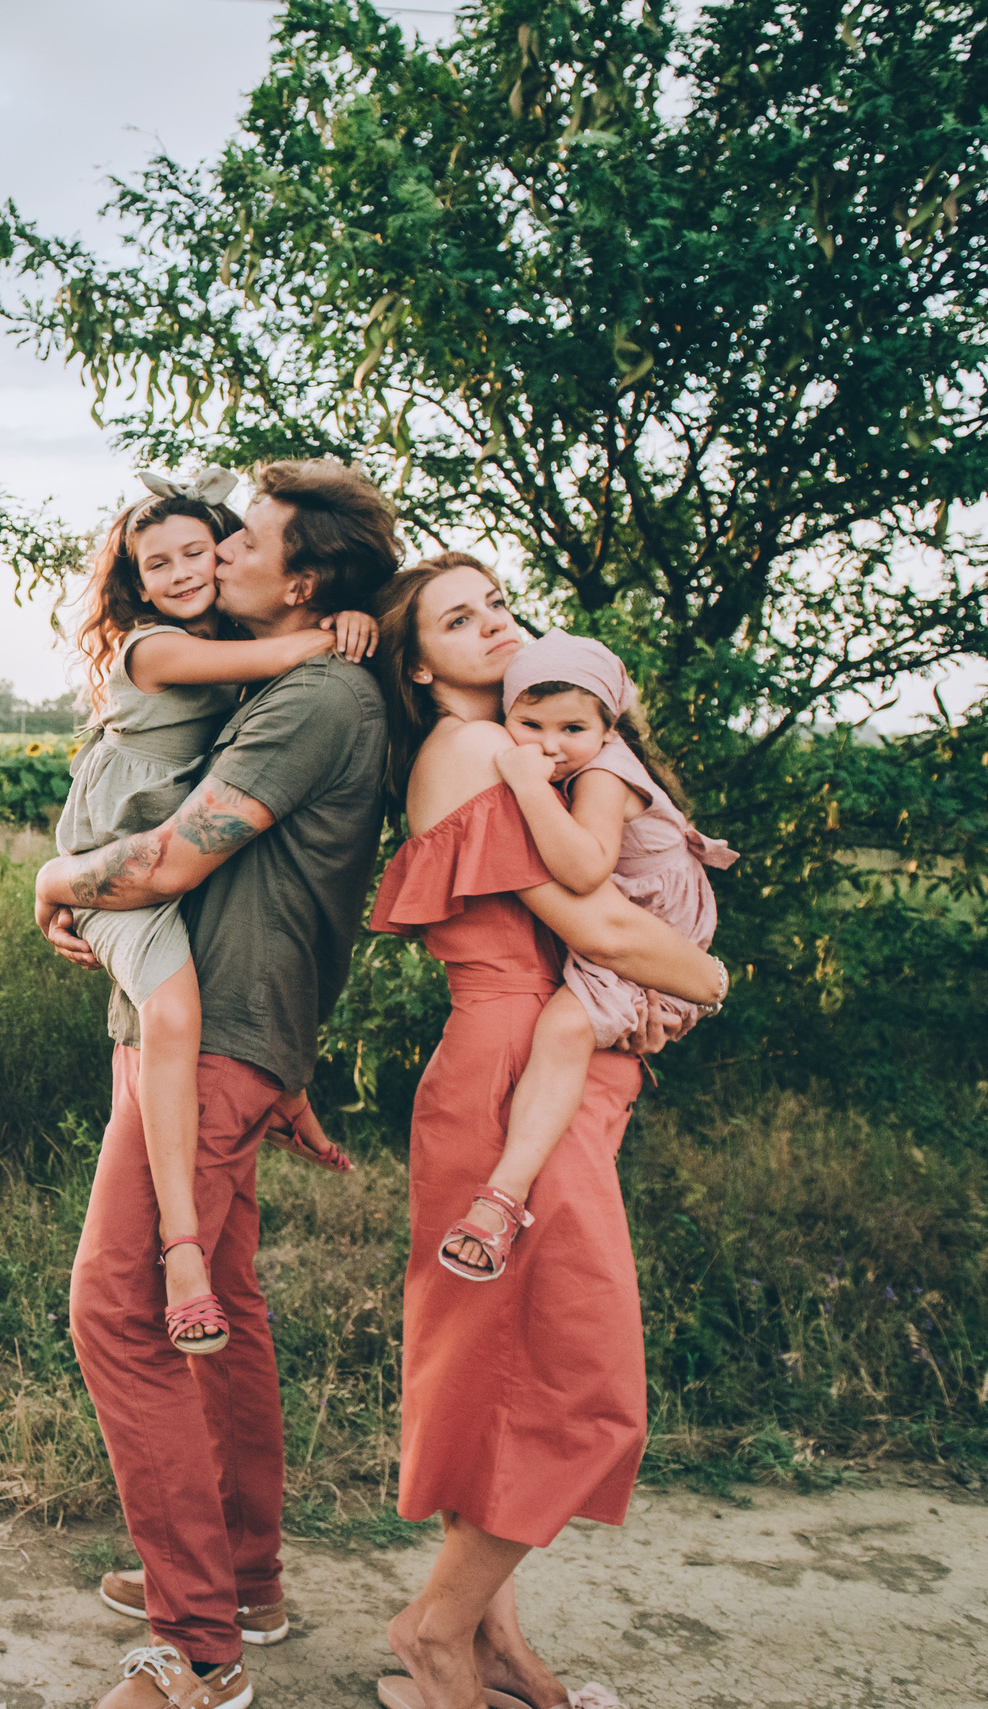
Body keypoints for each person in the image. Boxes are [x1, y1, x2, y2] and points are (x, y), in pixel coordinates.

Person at [37, 458, 399, 1709]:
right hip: (222, 1036)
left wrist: (52, 878)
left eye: (245, 539)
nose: (221, 550)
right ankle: (240, 1580)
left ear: (302, 579)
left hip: (213, 1044)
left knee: (119, 1309)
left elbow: (164, 865)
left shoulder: (315, 694)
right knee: (223, 1306)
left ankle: (196, 1649)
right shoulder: (286, 678)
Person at [366, 553, 730, 1709]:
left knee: (497, 1370)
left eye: (496, 604)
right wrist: (708, 976)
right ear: (416, 665)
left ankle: (488, 1640)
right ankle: (435, 1631)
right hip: (512, 1073)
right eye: (456, 618)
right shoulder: (481, 746)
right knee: (581, 1380)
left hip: (534, 1067)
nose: (492, 624)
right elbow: (603, 923)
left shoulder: (517, 744)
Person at [54, 468, 365, 1359]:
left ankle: (260, 1148)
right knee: (175, 1013)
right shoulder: (153, 649)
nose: (189, 570)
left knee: (196, 998)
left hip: (159, 867)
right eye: (160, 563)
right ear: (137, 584)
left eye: (205, 550)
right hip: (113, 852)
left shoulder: (241, 647)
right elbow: (267, 660)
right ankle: (180, 1247)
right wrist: (343, 629)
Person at [436, 631, 739, 1282]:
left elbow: (583, 869)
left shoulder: (603, 774)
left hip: (658, 932)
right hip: (642, 927)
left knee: (565, 1029)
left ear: (608, 728)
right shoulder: (580, 762)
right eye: (530, 724)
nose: (550, 744)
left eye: (573, 727)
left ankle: (502, 1199)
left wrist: (524, 783)